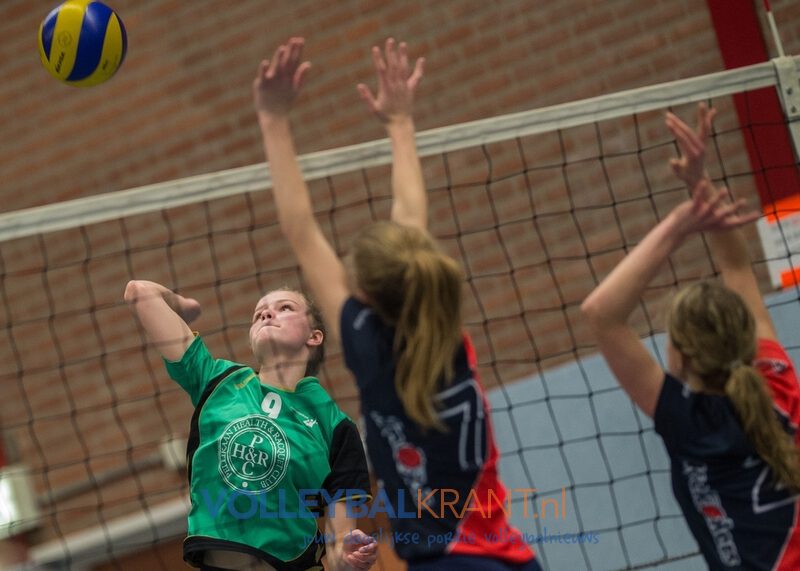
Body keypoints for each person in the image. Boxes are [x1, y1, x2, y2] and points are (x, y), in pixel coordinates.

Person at [253, 37, 540, 571]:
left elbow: (300, 227)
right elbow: (407, 219)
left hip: (443, 561)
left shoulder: (366, 345)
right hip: (512, 557)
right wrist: (401, 122)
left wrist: (273, 118)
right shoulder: (442, 325)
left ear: (364, 294)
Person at [581, 103, 800, 570]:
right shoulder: (777, 380)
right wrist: (701, 187)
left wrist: (685, 219)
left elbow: (600, 313)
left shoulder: (691, 423)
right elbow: (737, 266)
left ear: (678, 355)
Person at [123, 281, 378, 571]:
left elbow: (339, 548)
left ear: (314, 336)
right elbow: (138, 292)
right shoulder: (219, 380)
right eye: (259, 314)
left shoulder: (336, 426)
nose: (267, 314)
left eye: (285, 308)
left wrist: (349, 558)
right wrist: (181, 305)